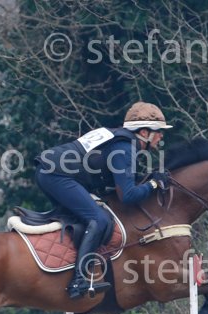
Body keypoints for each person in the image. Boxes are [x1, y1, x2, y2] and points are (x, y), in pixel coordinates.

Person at [35, 102, 172, 299]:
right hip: (56, 174)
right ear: (144, 132)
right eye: (159, 132)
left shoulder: (119, 139)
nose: (161, 137)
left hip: (52, 170)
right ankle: (78, 281)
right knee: (99, 220)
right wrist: (154, 184)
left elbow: (121, 181)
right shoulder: (125, 147)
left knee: (88, 217)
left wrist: (148, 179)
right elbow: (128, 196)